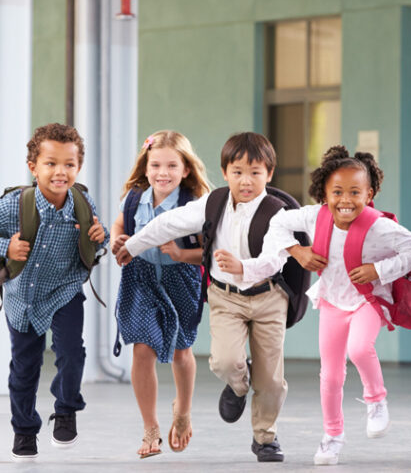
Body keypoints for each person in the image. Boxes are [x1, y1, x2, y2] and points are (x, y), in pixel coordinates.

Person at [236, 146, 411, 466]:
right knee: (330, 375)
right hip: (332, 302)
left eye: (355, 192)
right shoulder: (314, 216)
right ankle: (332, 436)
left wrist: (377, 271)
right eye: (337, 192)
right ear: (323, 192)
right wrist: (298, 252)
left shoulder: (379, 226)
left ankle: (376, 400)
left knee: (360, 348)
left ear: (370, 193)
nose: (345, 200)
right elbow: (278, 222)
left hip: (368, 299)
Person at [114, 132, 293, 463]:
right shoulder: (212, 204)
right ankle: (235, 386)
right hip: (222, 296)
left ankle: (265, 437)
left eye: (256, 172)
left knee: (270, 379)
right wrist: (131, 246)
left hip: (265, 297)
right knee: (223, 361)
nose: (246, 180)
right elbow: (166, 223)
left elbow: (278, 258)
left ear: (269, 173)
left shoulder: (278, 212)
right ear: (225, 172)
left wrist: (243, 266)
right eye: (237, 171)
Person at [0, 123, 107, 462]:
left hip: (65, 289)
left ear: (78, 166)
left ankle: (66, 408)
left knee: (72, 352)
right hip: (22, 297)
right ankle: (24, 431)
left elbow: (99, 241)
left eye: (69, 164)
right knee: (25, 367)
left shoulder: (82, 202)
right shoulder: (15, 205)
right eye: (51, 163)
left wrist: (101, 236)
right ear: (33, 167)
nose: (60, 171)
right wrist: (4, 246)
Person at [109, 130, 211, 458]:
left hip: (180, 279)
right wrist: (116, 239)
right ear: (146, 166)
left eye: (171, 166)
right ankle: (150, 428)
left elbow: (210, 252)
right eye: (155, 165)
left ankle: (182, 411)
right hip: (140, 279)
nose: (162, 173)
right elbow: (119, 224)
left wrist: (181, 255)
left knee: (182, 352)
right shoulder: (135, 197)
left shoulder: (195, 204)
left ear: (186, 170)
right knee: (142, 349)